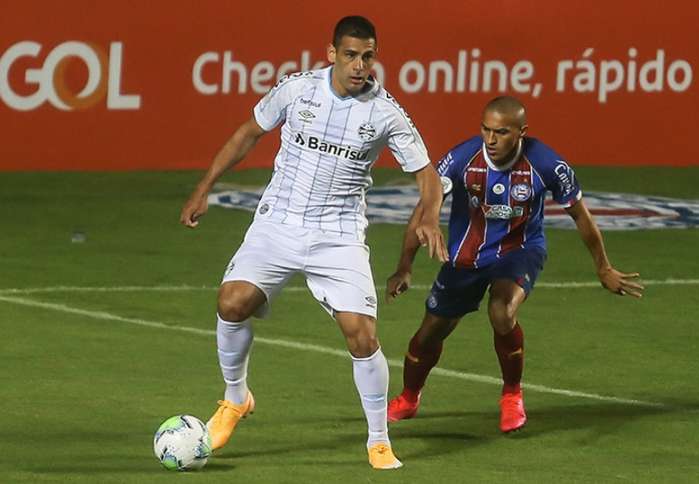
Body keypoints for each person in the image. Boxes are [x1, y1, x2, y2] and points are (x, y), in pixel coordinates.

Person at [179, 16, 447, 469]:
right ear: (332, 54)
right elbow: (248, 132)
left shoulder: (386, 113)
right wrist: (205, 186)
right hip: (278, 223)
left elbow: (427, 175)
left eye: (368, 56)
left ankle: (378, 440)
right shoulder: (297, 89)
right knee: (231, 303)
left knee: (362, 336)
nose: (360, 65)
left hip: (338, 234)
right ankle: (235, 399)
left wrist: (432, 216)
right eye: (350, 55)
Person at [385, 96, 644, 433]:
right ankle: (409, 396)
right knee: (429, 333)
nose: (491, 140)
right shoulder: (462, 158)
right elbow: (424, 211)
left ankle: (511, 396)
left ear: (522, 132)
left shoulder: (548, 164)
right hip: (466, 257)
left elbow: (581, 217)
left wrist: (603, 267)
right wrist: (405, 266)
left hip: (520, 250)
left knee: (502, 310)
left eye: (501, 132)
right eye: (486, 130)